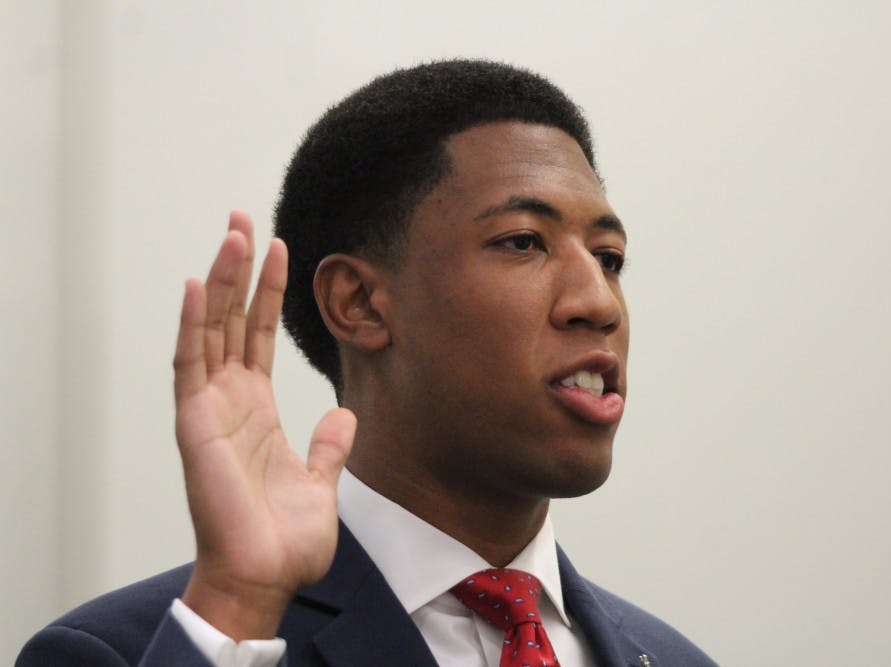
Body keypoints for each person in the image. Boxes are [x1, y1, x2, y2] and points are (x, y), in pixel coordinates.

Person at [18, 59, 717, 666]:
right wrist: (236, 603)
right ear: (359, 303)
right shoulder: (135, 651)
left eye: (610, 257)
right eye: (524, 242)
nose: (599, 301)